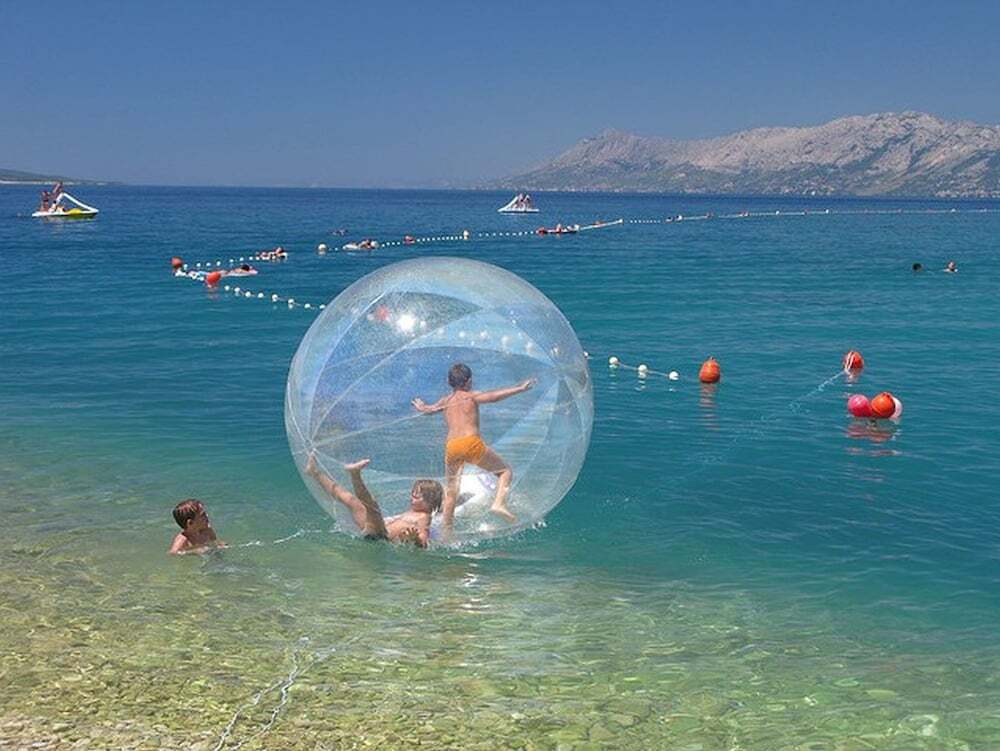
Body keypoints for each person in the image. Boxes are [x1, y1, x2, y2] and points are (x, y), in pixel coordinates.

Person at [412, 363, 535, 535]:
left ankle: (447, 532)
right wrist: (519, 388)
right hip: (470, 443)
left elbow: (429, 410)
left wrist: (422, 407)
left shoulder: (445, 401)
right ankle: (499, 504)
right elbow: (493, 397)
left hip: (452, 446)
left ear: (449, 382)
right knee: (505, 471)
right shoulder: (471, 396)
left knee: (452, 491)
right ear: (469, 381)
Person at [304, 453, 442, 547]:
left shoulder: (424, 517)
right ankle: (314, 472)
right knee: (352, 501)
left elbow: (424, 540)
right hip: (376, 531)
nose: (412, 498)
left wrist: (415, 539)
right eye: (412, 494)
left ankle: (355, 474)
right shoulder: (411, 512)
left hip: (382, 537)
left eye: (417, 496)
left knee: (373, 506)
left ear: (430, 501)